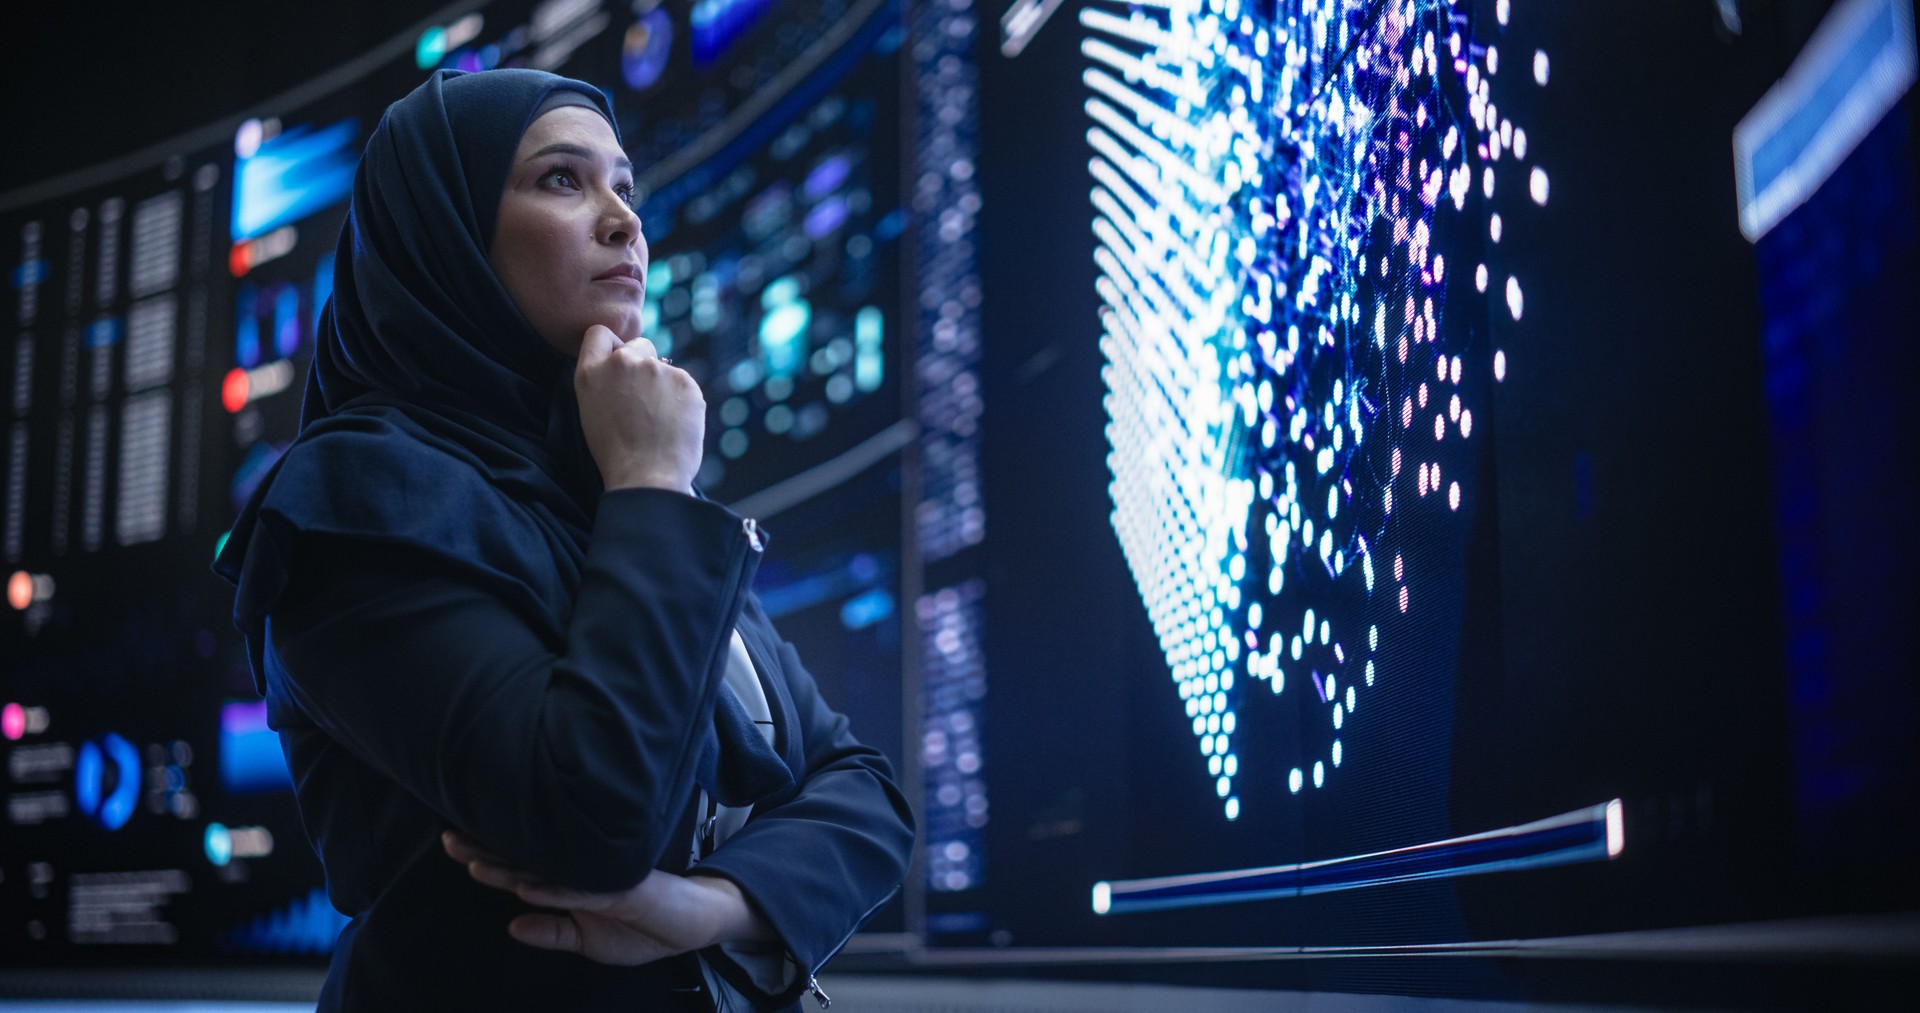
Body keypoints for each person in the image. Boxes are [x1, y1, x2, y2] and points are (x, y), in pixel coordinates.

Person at [214, 68, 915, 1011]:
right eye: (561, 180)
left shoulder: (609, 491)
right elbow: (592, 814)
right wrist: (652, 482)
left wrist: (702, 908)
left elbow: (864, 794)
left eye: (624, 186)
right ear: (448, 234)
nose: (624, 221)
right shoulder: (351, 501)